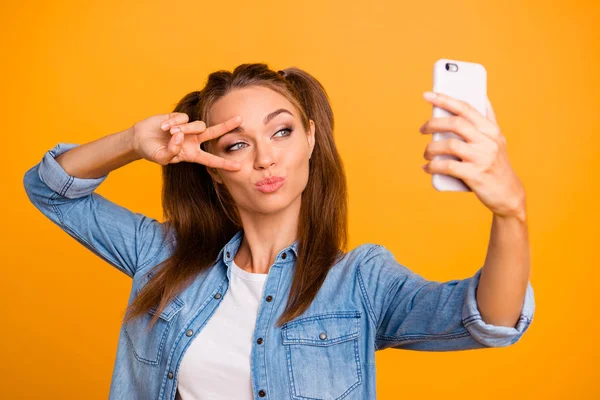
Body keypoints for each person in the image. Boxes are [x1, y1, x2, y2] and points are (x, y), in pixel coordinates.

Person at [23, 63, 535, 400]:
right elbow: (50, 189)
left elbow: (488, 321)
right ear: (211, 163)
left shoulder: (360, 280)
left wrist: (511, 212)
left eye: (281, 130)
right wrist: (134, 142)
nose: (266, 156)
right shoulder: (161, 256)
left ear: (311, 138)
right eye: (236, 144)